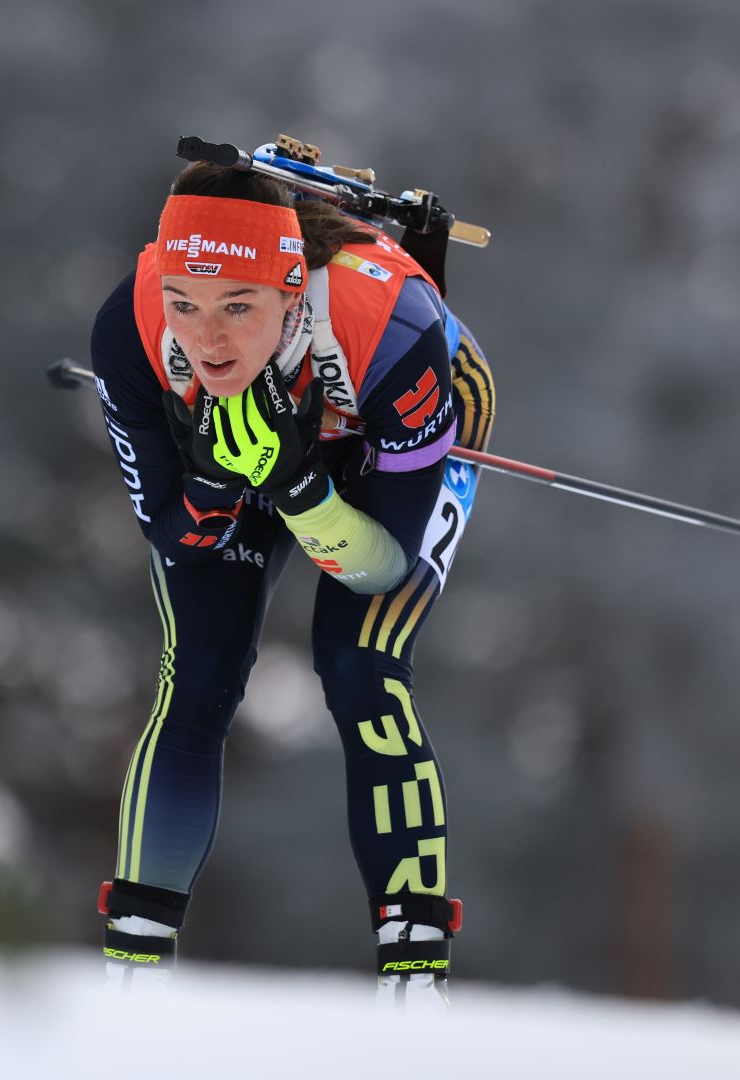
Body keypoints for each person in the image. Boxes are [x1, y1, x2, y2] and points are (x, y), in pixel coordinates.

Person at [87, 159, 496, 1008]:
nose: (208, 341)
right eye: (187, 305)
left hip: (395, 406)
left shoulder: (394, 329)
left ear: (289, 292)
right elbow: (174, 536)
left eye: (239, 306)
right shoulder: (129, 327)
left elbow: (383, 562)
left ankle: (414, 974)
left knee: (361, 666)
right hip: (270, 436)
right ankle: (131, 971)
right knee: (197, 670)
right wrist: (214, 480)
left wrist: (302, 488)